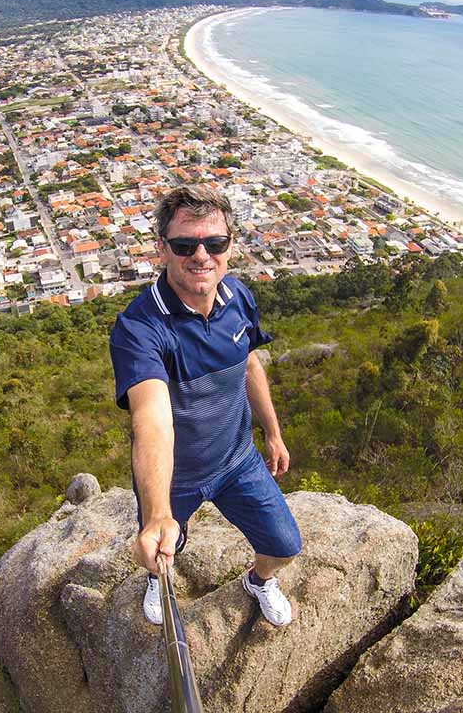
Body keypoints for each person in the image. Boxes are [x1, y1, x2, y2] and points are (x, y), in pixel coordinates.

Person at [109, 185, 302, 627]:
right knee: (163, 551)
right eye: (184, 244)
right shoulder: (139, 329)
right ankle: (158, 582)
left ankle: (258, 580)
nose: (201, 255)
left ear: (230, 247)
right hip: (177, 475)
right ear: (162, 249)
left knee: (285, 545)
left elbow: (249, 363)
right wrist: (157, 513)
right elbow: (152, 419)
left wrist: (272, 431)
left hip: (237, 461)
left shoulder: (239, 298)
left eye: (214, 243)